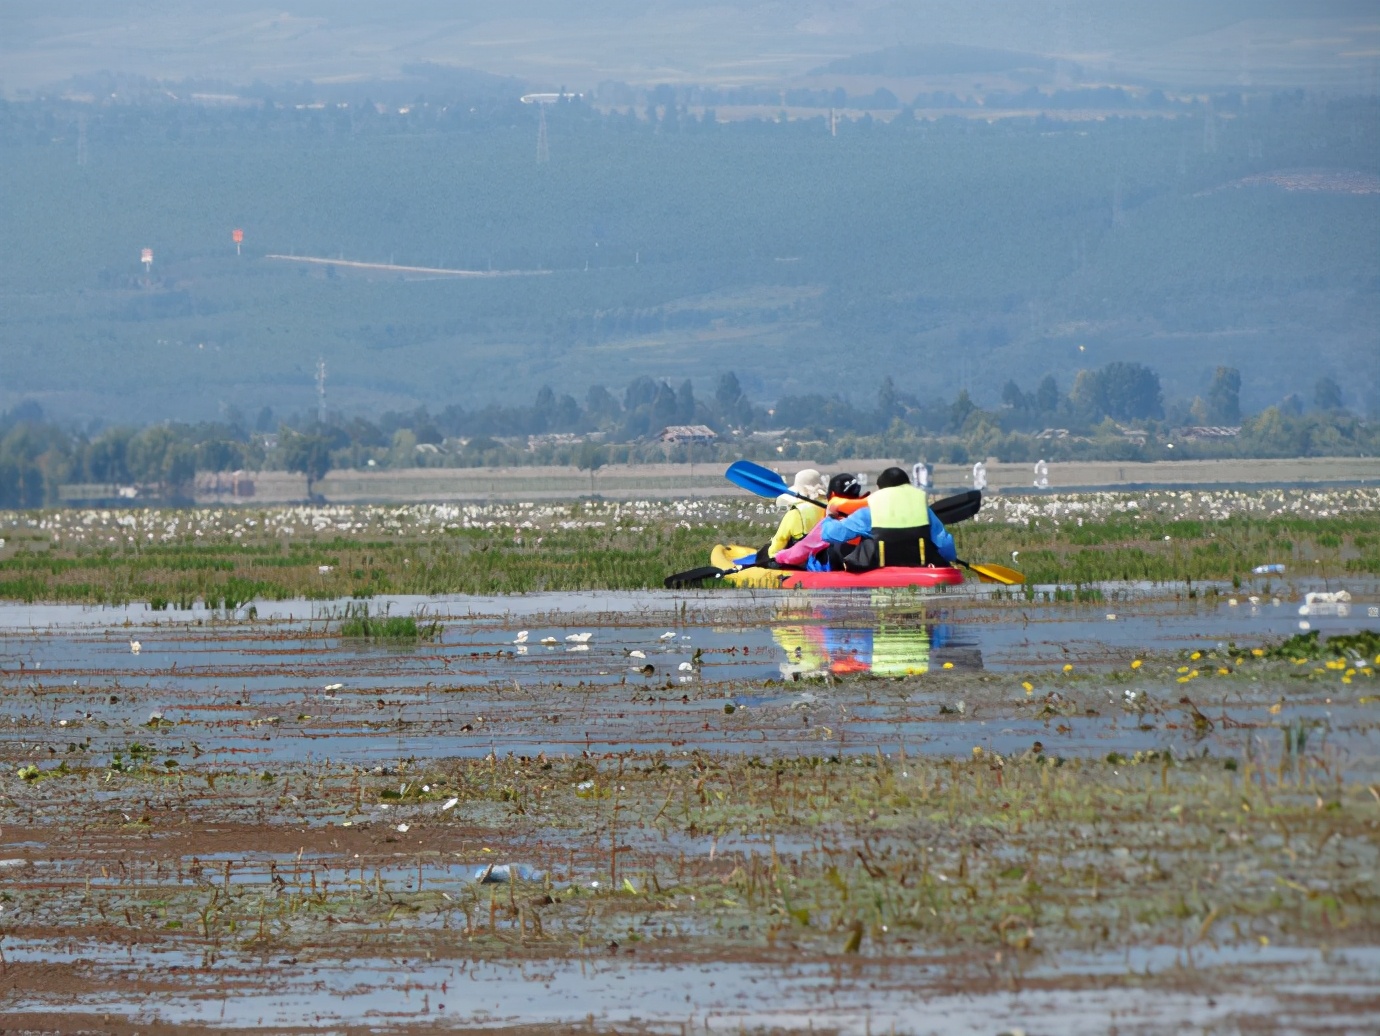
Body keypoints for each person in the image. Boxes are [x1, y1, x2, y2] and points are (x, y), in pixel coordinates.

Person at [816, 466, 955, 570]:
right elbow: (947, 547)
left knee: (856, 544)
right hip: (921, 566)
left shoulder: (869, 512)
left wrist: (830, 517)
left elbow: (830, 534)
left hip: (879, 568)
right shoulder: (925, 512)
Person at [773, 472, 867, 568]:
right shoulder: (868, 515)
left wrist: (777, 557)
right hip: (868, 563)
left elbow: (799, 552)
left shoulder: (829, 525)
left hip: (840, 570)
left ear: (832, 494)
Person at [761, 468, 827, 561]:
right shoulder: (831, 507)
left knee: (765, 551)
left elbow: (780, 540)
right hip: (829, 558)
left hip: (801, 561)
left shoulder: (796, 512)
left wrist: (771, 556)